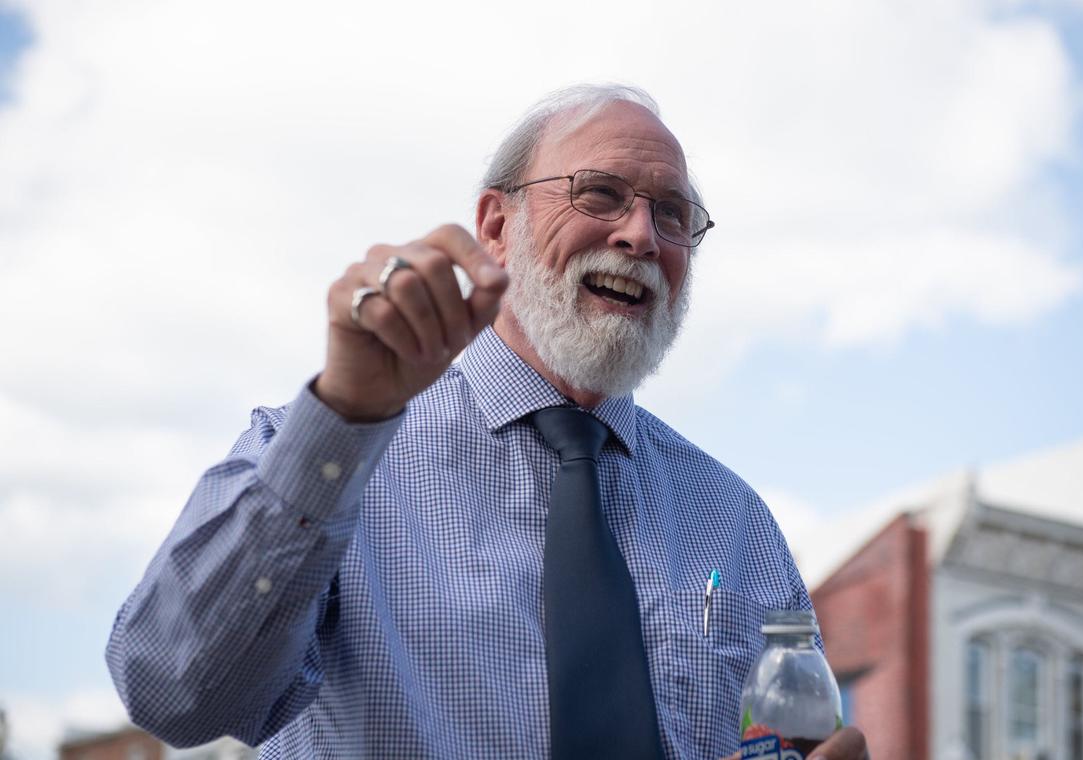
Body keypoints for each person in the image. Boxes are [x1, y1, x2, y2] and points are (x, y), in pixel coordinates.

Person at [107, 84, 868, 760]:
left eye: (672, 214)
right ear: (496, 225)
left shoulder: (734, 522)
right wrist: (344, 417)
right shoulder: (327, 459)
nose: (641, 235)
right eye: (600, 194)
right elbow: (176, 694)